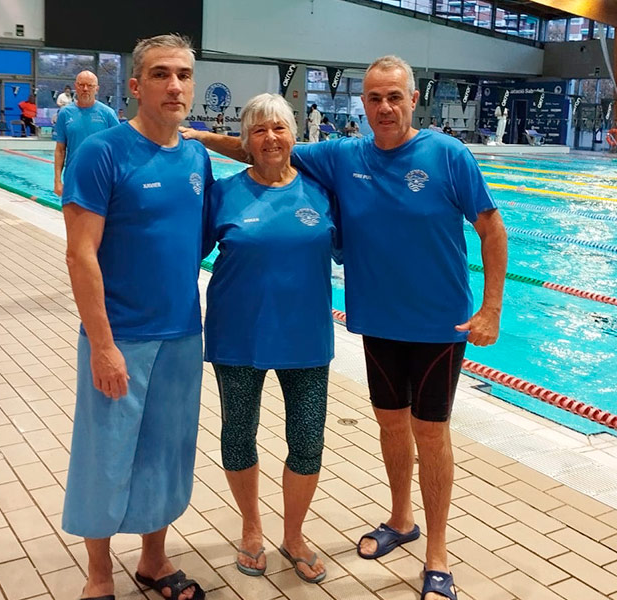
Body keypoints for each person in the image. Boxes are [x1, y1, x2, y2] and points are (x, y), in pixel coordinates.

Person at [183, 54, 507, 600]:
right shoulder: (341, 156)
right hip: (378, 324)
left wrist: (492, 307)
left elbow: (492, 229)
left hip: (438, 325)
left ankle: (436, 554)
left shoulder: (448, 155)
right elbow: (261, 149)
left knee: (431, 433)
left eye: (394, 97)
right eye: (375, 97)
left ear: (413, 99)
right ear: (363, 103)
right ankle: (401, 521)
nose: (384, 107)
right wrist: (190, 135)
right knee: (389, 426)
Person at [61, 34, 212, 600]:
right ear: (134, 86)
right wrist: (102, 344)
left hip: (181, 334)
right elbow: (80, 254)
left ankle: (153, 559)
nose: (174, 85)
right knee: (106, 452)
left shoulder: (196, 156)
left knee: (165, 452)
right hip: (121, 335)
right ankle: (99, 577)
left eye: (183, 75)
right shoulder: (102, 152)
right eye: (160, 74)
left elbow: (199, 240)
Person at [203, 93, 337, 585]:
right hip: (238, 336)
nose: (270, 138)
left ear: (293, 135)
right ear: (246, 141)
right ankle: (252, 528)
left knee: (307, 442)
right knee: (239, 436)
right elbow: (181, 252)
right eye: (258, 130)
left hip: (306, 338)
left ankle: (295, 534)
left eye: (278, 127)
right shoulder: (222, 193)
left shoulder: (321, 191)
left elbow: (360, 249)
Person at [53, 70, 118, 197]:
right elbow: (60, 150)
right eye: (81, 85)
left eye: (90, 85)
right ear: (75, 87)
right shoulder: (65, 113)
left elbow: (119, 149)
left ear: (97, 89)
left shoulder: (108, 114)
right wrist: (57, 181)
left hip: (102, 178)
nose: (85, 89)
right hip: (73, 177)